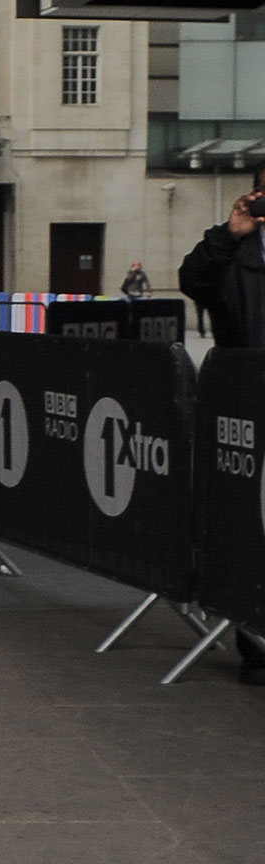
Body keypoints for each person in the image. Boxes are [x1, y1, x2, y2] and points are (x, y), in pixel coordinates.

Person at [179, 170, 265, 684]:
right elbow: (193, 279)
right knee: (251, 529)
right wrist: (229, 233)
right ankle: (256, 648)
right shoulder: (235, 251)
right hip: (250, 405)